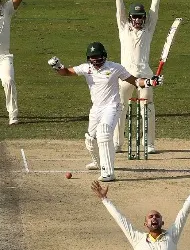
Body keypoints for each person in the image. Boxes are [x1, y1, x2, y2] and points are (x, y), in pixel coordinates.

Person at [47, 43, 163, 182]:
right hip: (96, 109)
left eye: (98, 57)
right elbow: (66, 72)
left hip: (112, 107)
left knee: (104, 133)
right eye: (93, 57)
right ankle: (97, 162)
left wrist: (150, 82)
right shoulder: (86, 68)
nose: (96, 60)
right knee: (91, 139)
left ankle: (108, 172)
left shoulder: (115, 67)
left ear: (104, 56)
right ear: (89, 58)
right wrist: (58, 66)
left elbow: (136, 81)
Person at [108, 0, 169, 154]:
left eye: (141, 17)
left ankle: (148, 143)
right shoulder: (124, 28)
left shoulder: (148, 29)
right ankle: (117, 143)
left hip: (145, 75)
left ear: (144, 18)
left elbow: (154, 11)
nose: (138, 20)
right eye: (135, 17)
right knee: (120, 108)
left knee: (147, 108)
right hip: (125, 76)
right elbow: (119, 9)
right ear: (130, 18)